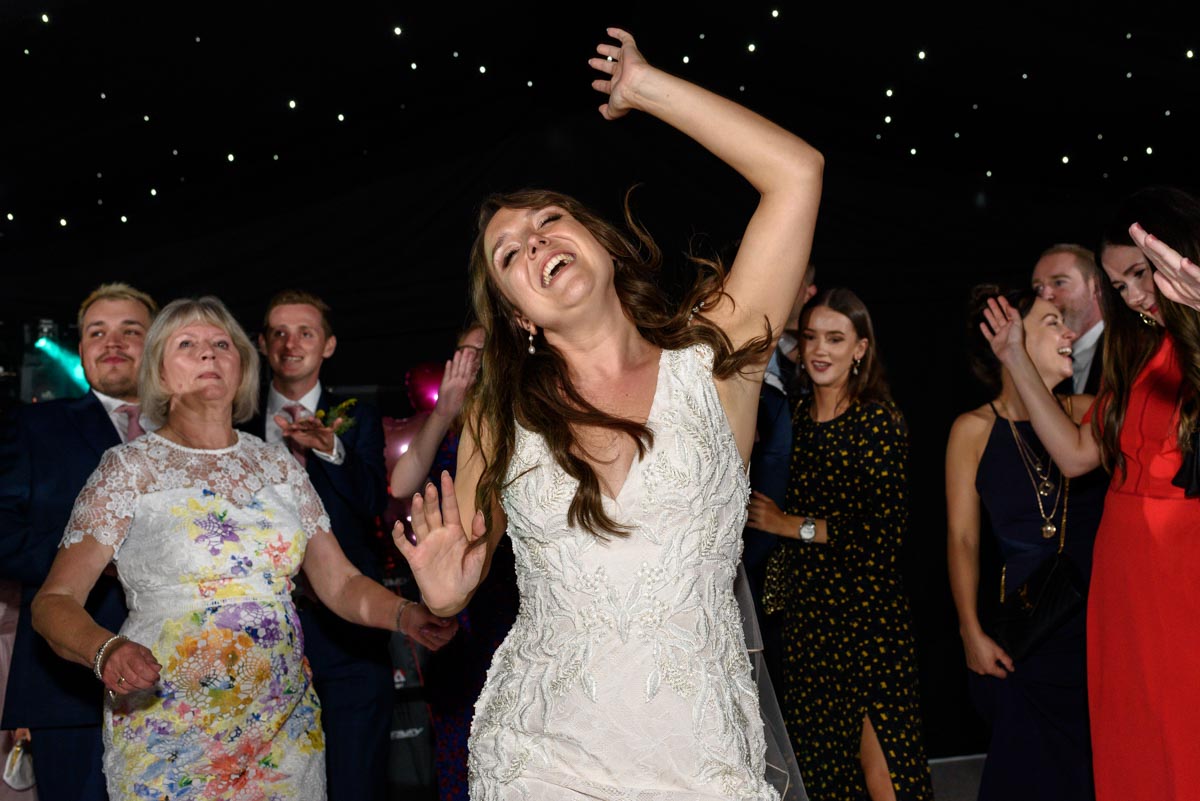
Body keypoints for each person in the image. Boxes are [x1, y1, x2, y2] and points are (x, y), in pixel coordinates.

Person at [397, 28, 823, 800]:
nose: (533, 242)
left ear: (600, 242)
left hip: (701, 761)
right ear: (517, 315)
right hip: (540, 758)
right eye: (507, 254)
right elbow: (460, 574)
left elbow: (797, 174)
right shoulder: (501, 412)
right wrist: (444, 591)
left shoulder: (719, 360)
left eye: (550, 220)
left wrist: (644, 88)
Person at [29, 296, 452, 800]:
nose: (208, 353)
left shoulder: (279, 466)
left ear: (242, 367)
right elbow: (53, 602)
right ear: (160, 374)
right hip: (168, 721)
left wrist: (407, 615)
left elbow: (340, 583)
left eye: (220, 344)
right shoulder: (127, 469)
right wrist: (105, 650)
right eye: (188, 344)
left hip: (282, 727)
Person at [980, 186, 1200, 801]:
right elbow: (1077, 456)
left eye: (1141, 274)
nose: (1133, 296)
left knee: (1183, 732)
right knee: (1130, 732)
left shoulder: (1192, 348)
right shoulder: (1141, 354)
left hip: (1183, 573)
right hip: (1123, 574)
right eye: (1117, 284)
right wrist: (1017, 359)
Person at [247, 289, 456, 801]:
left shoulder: (358, 416)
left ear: (329, 345)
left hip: (349, 628)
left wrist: (331, 448)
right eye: (278, 332)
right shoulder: (241, 423)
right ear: (261, 344)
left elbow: (369, 504)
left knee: (355, 777)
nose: (290, 344)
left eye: (305, 333)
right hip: (259, 629)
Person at [748, 288, 932, 801]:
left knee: (887, 767)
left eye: (835, 338)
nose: (820, 349)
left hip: (869, 620)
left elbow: (884, 532)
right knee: (825, 771)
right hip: (809, 624)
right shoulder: (795, 420)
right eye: (810, 338)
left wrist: (792, 525)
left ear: (860, 349)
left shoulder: (878, 421)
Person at [0, 282, 157, 801]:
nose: (112, 342)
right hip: (67, 684)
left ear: (156, 341)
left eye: (130, 330)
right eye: (97, 332)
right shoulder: (33, 426)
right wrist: (94, 561)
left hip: (185, 674)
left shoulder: (195, 432)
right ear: (83, 347)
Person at [946, 286, 1102, 801]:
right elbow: (963, 538)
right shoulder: (972, 429)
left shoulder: (1091, 410)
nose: (1069, 334)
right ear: (1006, 337)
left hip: (1096, 629)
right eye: (1053, 321)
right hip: (1026, 638)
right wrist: (969, 630)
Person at [391, 326, 520, 801]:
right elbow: (402, 484)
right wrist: (445, 409)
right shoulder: (444, 423)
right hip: (452, 598)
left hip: (510, 591)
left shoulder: (520, 419)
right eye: (464, 351)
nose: (472, 361)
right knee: (458, 725)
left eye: (483, 352)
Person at [1031, 245, 1105, 395]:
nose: (1046, 296)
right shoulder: (1043, 362)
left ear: (1096, 287)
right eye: (1038, 288)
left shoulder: (1129, 348)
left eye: (1059, 283)